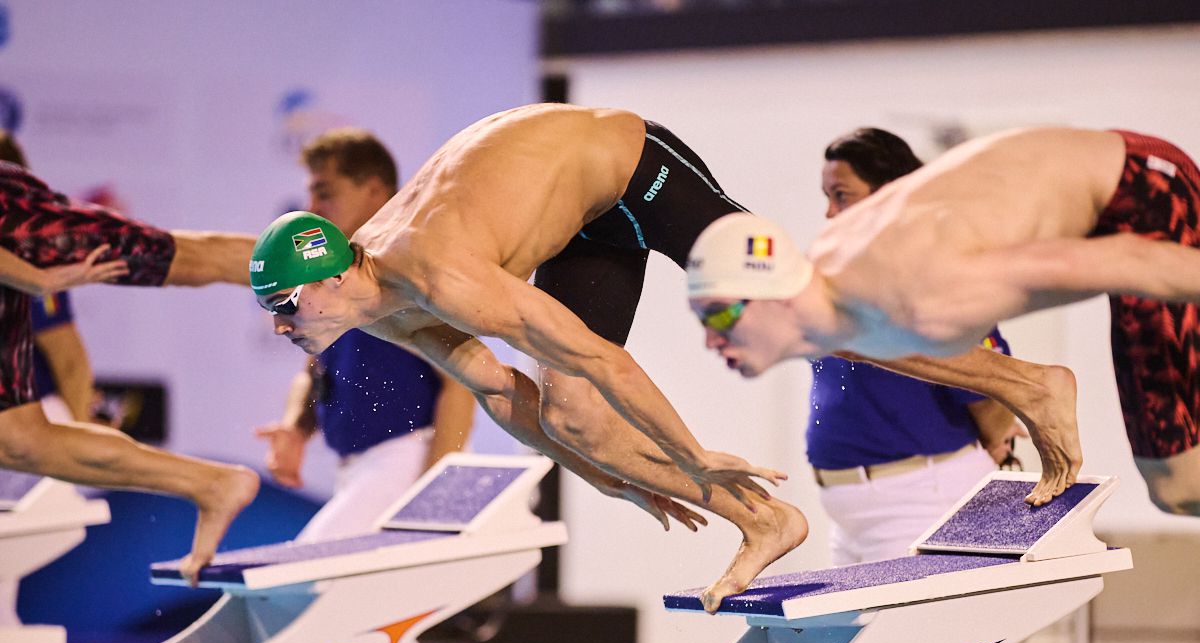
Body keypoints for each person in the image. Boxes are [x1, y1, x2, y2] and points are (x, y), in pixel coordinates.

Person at [249, 104, 801, 614]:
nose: (278, 324)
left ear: (334, 277)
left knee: (784, 307)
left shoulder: (441, 276)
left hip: (632, 167)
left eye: (284, 304)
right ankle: (766, 520)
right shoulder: (378, 307)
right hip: (583, 221)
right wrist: (605, 475)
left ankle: (883, 346)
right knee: (572, 417)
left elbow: (603, 362)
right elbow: (496, 390)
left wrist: (692, 455)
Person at [686, 127, 1200, 516]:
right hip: (1088, 176)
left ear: (774, 296)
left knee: (1180, 486)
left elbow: (1129, 261)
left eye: (720, 314)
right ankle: (1039, 386)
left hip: (1143, 189)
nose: (709, 340)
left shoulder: (922, 292)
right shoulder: (829, 291)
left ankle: (1042, 387)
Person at [0, 130, 261, 584]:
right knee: (16, 441)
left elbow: (69, 357)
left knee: (188, 260)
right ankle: (214, 484)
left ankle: (336, 266)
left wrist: (37, 280)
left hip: (14, 219)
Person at [809, 128, 1023, 565]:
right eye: (827, 197)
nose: (830, 213)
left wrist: (998, 439)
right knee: (849, 636)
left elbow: (990, 390)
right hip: (850, 513)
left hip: (922, 501)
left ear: (889, 195)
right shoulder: (835, 276)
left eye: (842, 195)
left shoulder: (936, 276)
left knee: (924, 635)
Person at [256, 129, 475, 540]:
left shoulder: (409, 268)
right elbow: (315, 368)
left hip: (408, 459)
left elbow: (462, 385)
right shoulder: (335, 275)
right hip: (362, 471)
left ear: (374, 190)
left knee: (301, 582)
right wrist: (295, 428)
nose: (312, 209)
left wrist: (433, 497)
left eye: (325, 193)